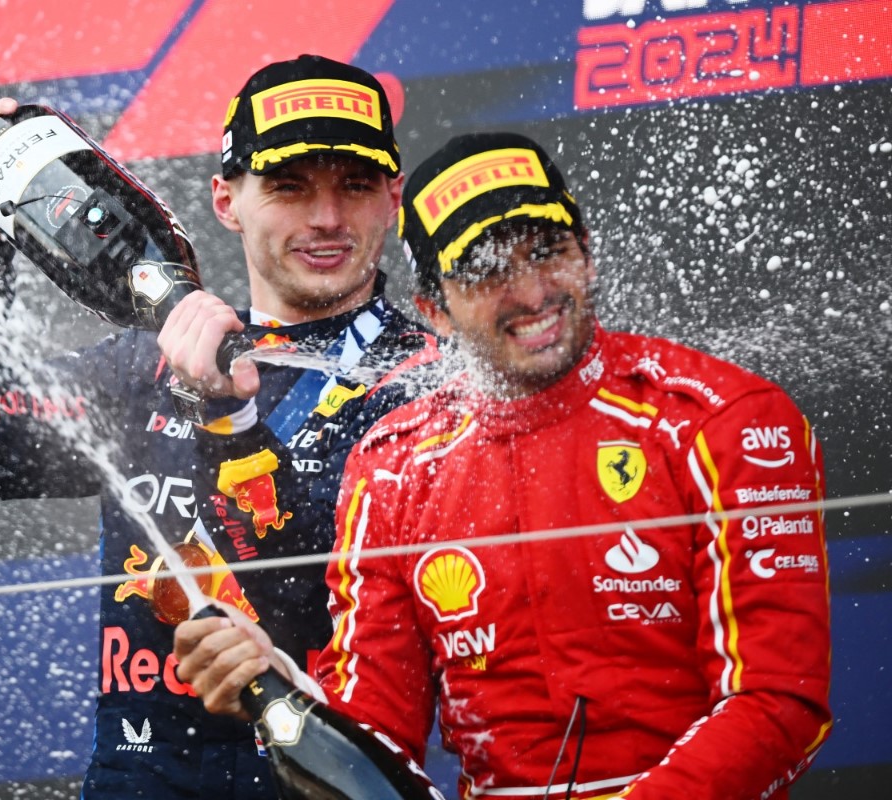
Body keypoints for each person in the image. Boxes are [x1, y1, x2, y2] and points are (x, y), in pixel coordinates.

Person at [173, 132, 832, 799]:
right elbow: (375, 736)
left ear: (587, 255)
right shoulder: (395, 466)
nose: (534, 292)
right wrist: (280, 689)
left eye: (549, 253)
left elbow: (778, 703)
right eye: (486, 271)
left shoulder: (721, 420)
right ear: (434, 310)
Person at [0, 54, 437, 798]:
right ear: (224, 199)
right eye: (289, 187)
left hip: (324, 777)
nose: (327, 218)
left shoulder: (433, 383)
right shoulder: (146, 364)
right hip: (140, 776)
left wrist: (228, 415)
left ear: (393, 197)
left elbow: (306, 600)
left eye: (356, 186)